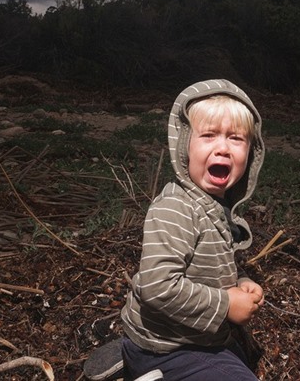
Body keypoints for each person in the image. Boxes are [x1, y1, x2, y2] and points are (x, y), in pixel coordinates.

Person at [121, 79, 266, 380]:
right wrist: (226, 304)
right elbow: (157, 286)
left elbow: (204, 266)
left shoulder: (214, 204)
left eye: (236, 139)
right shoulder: (176, 208)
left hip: (196, 337)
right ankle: (145, 370)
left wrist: (239, 281)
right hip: (165, 348)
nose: (223, 148)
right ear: (185, 145)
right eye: (209, 135)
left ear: (250, 153)